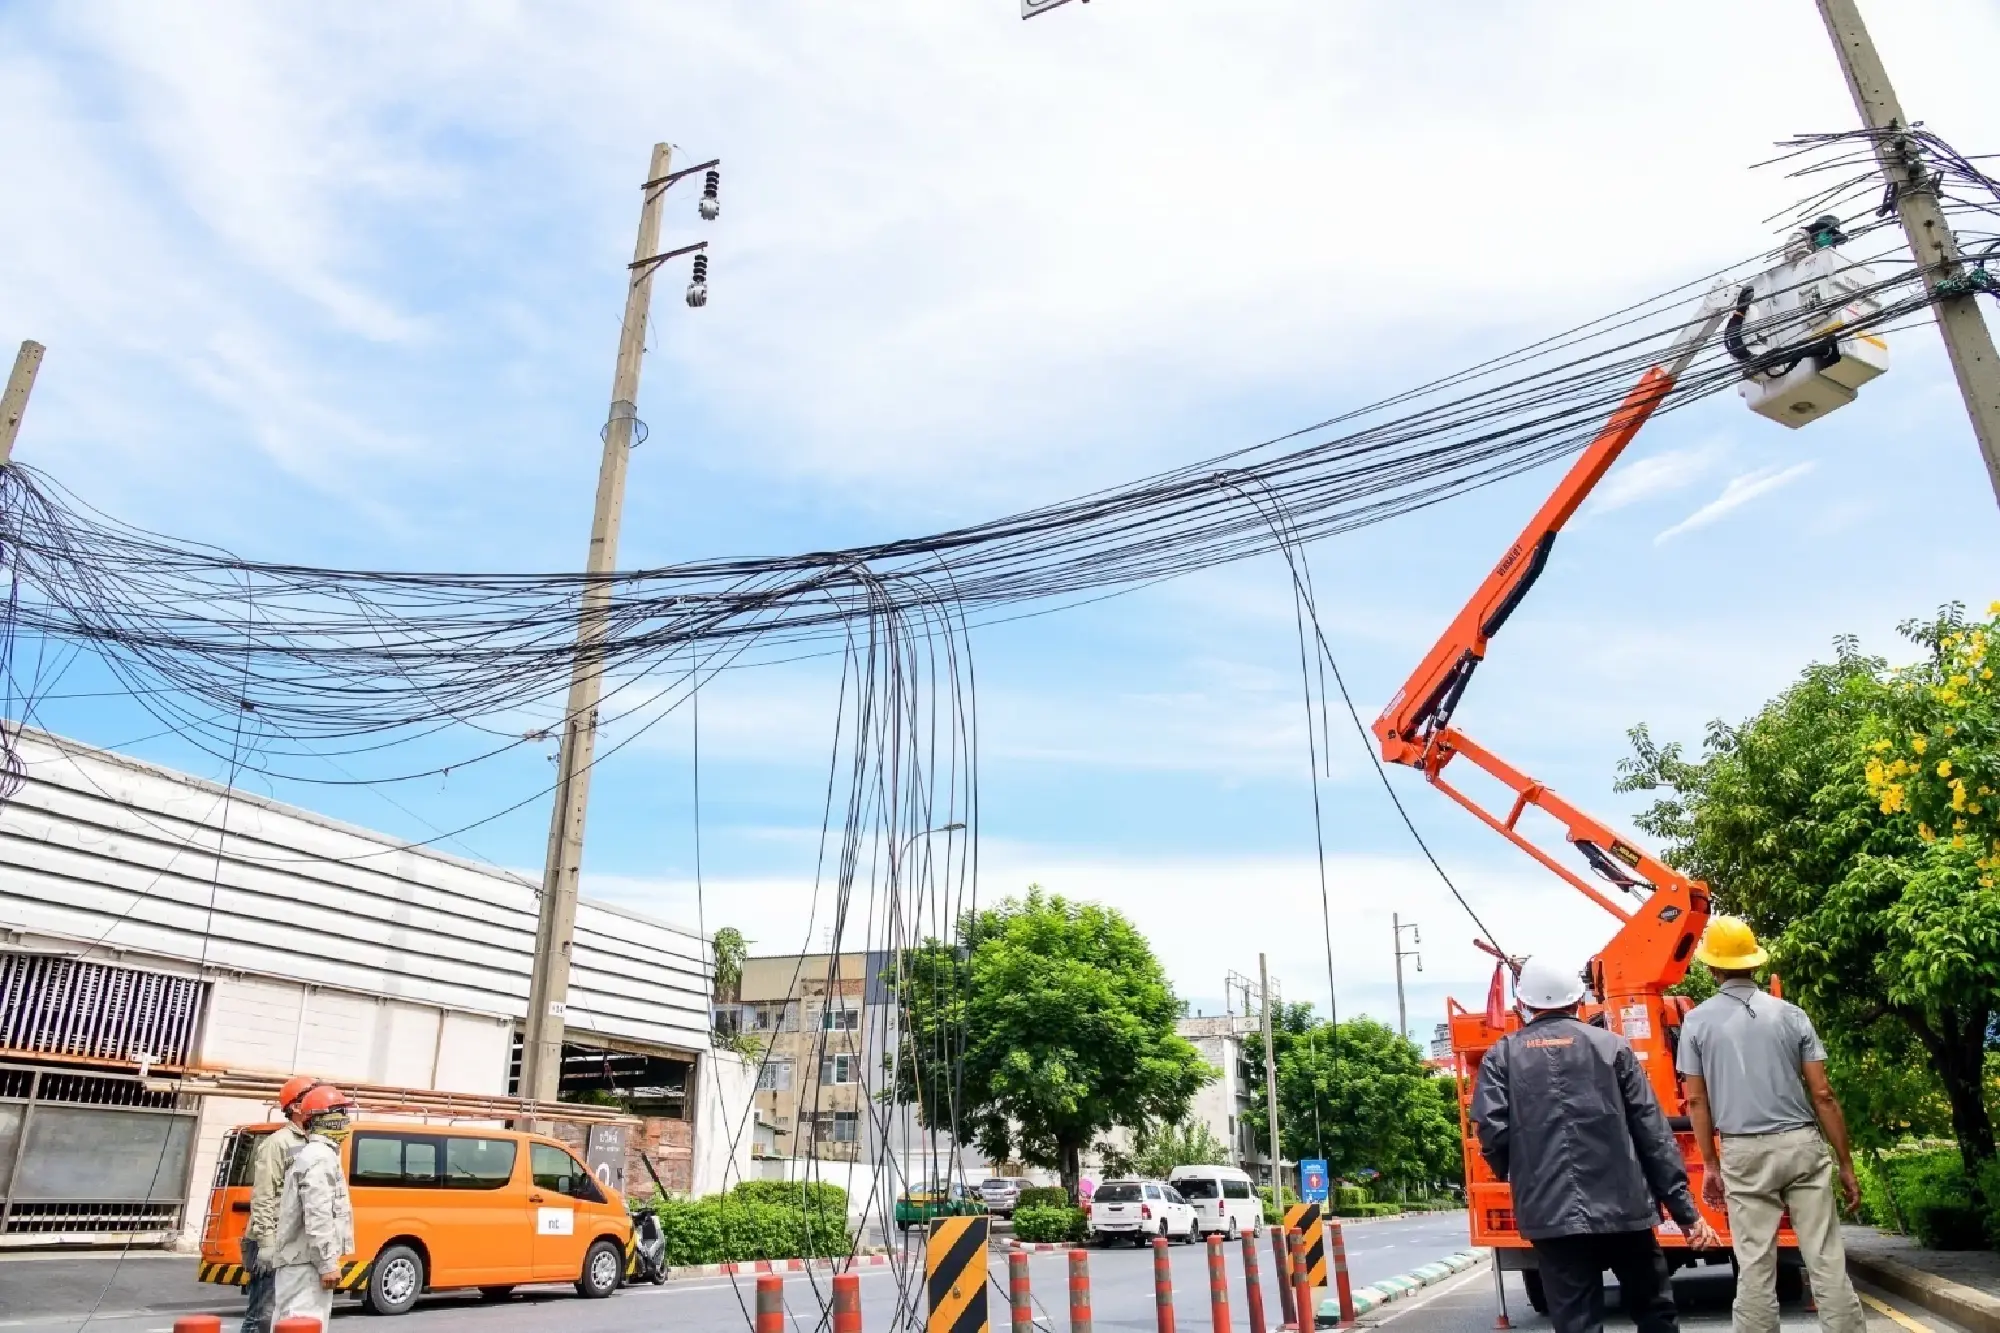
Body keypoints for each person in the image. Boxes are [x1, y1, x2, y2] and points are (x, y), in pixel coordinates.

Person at [1472, 954, 1721, 1333]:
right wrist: (1686, 1213)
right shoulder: (1613, 1047)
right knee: (1655, 1313)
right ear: (1578, 999)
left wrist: (1523, 1173)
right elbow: (1653, 1135)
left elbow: (1491, 1131)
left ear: (1523, 1002)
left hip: (1551, 1213)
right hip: (1625, 1206)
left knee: (1577, 1324)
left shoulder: (1502, 1056)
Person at [1678, 916, 1865, 1333]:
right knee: (1825, 1257)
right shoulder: (1791, 1014)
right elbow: (1823, 1094)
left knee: (1755, 1264)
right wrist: (1845, 1163)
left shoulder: (1697, 1022)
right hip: (1801, 1144)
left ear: (1712, 966)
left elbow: (1696, 1100)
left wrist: (1710, 1164)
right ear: (1754, 962)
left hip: (1743, 1150)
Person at [270, 1083, 358, 1328]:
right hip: (305, 1264)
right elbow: (318, 1214)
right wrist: (327, 1263)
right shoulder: (320, 1157)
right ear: (323, 1119)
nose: (345, 1120)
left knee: (292, 1324)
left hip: (302, 1261)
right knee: (303, 1324)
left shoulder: (317, 1154)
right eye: (340, 1113)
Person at [240, 1076, 320, 1333]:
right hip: (270, 1240)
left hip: (293, 1240)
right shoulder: (278, 1143)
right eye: (312, 1097)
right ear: (295, 1107)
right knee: (262, 1315)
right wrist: (266, 1243)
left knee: (284, 1313)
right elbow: (263, 1196)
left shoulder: (314, 1142)